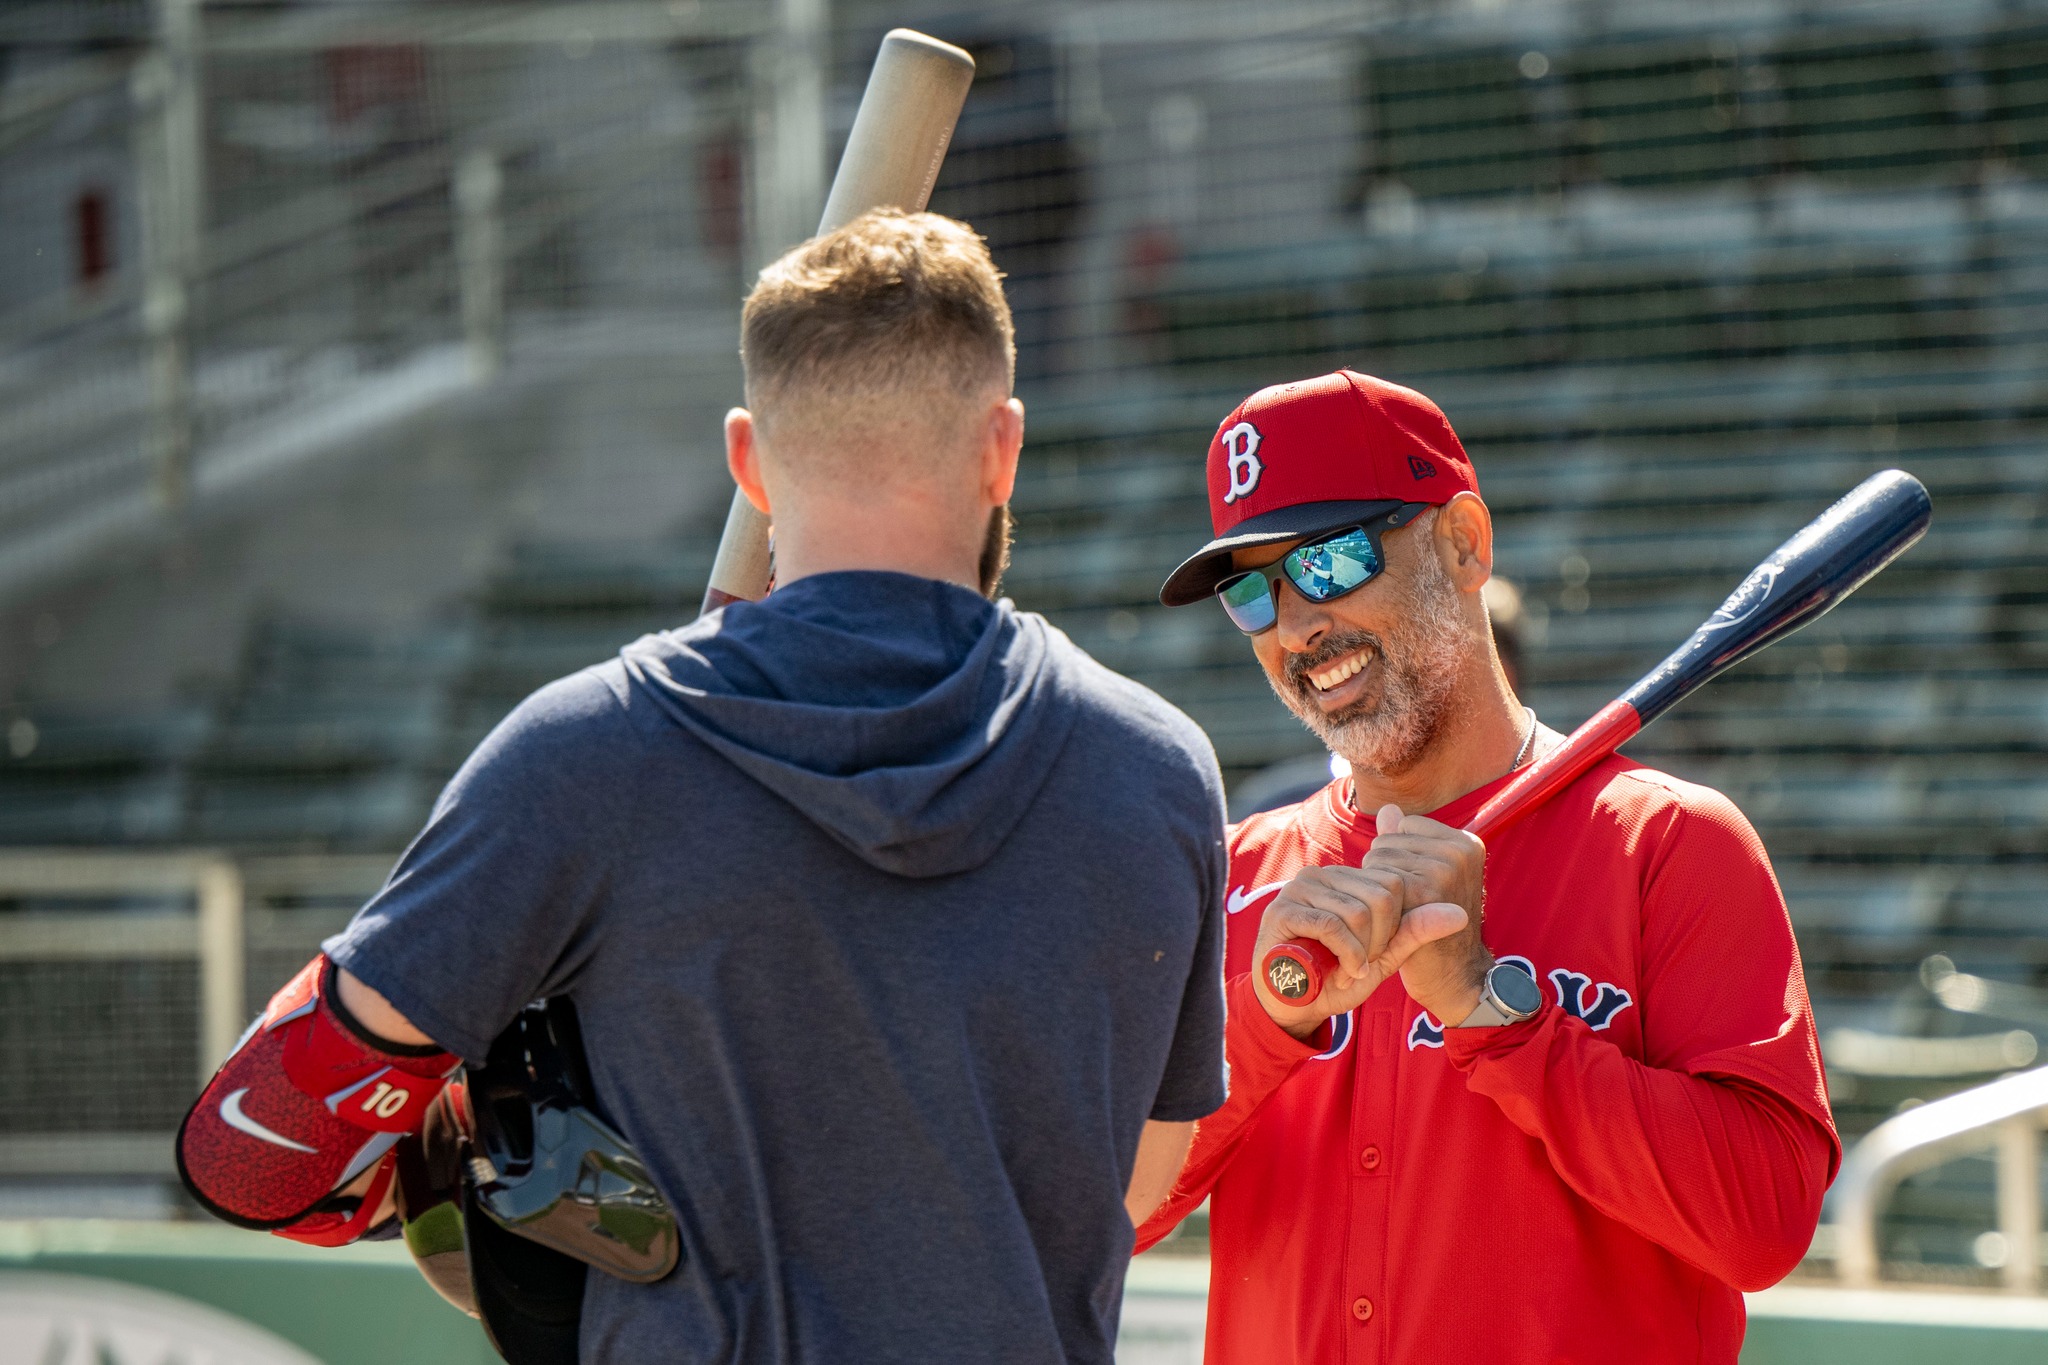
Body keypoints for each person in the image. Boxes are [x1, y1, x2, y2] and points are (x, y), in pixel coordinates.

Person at [177, 210, 1227, 1364]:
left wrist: (471, 1132)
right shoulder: (1154, 766)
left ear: (746, 461)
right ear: (1003, 446)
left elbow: (253, 1159)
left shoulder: (585, 755)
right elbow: (1134, 1183)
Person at [1144, 369, 1838, 1363]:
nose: (1295, 625)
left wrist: (1489, 1013)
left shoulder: (1667, 842)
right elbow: (1106, 1210)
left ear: (1463, 544)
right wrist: (1270, 1022)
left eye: (1332, 561)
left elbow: (1763, 1226)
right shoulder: (1239, 875)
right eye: (1252, 593)